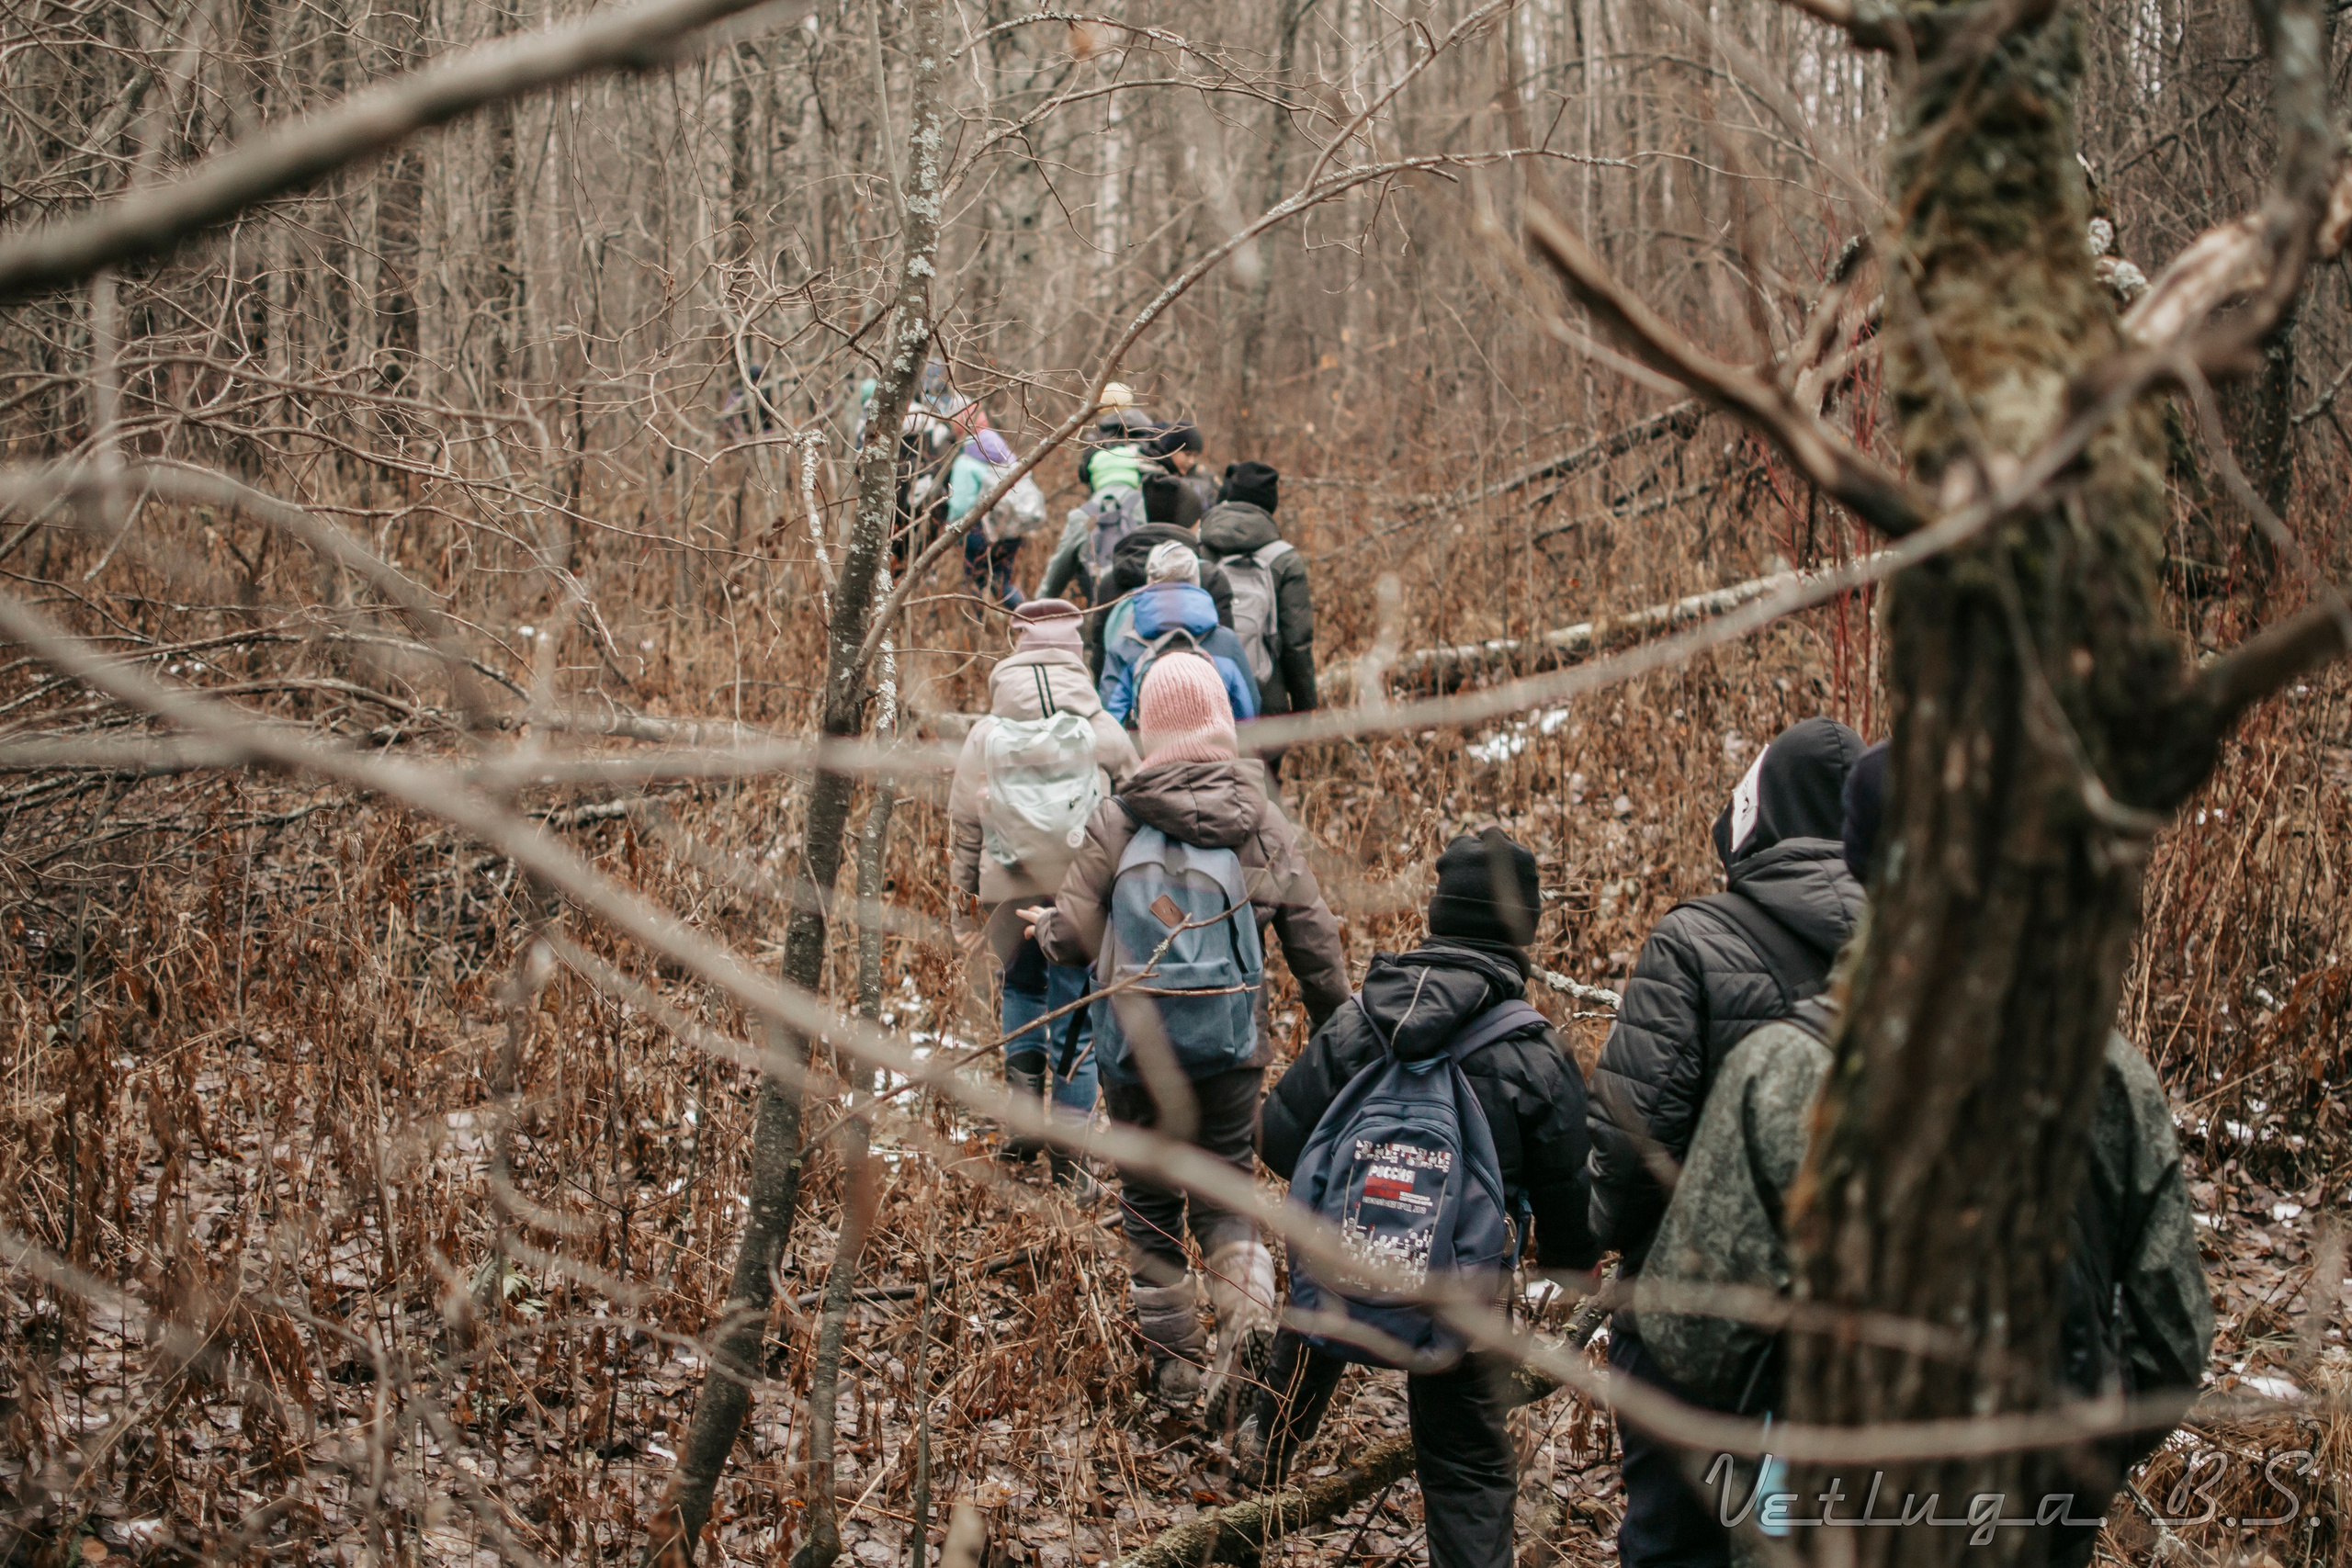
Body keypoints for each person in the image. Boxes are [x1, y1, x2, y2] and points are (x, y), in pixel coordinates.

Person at [1637, 744, 2213, 1567]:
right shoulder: (2110, 1075)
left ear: (1862, 863)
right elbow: (2172, 1342)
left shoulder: (1782, 1071)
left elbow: (1690, 1338)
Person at [1242, 829, 1602, 1568]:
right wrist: (1572, 1266)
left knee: (1310, 1323)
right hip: (1460, 1300)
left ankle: (1252, 1477)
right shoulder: (1535, 1050)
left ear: (1437, 914)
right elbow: (1572, 1205)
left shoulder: (1364, 1015)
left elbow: (1277, 1140)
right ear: (1523, 928)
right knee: (1467, 1467)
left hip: (1338, 1268)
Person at [1026, 654, 1350, 1406]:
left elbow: (1070, 939)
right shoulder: (1259, 820)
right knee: (1226, 1189)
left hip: (1134, 1051)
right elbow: (1314, 939)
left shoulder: (1117, 818)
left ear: (1149, 728)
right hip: (1230, 1046)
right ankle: (1249, 1320)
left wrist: (1044, 927)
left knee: (1148, 1200)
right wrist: (1340, 1027)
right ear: (1222, 720)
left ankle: (1173, 1366)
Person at [1584, 714, 1864, 1568]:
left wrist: (1601, 1237)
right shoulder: (1935, 955)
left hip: (1697, 1313)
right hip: (1864, 1315)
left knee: (1676, 1544)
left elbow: (1631, 1144)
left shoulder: (1695, 941)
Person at [948, 602, 1139, 1179]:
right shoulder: (1102, 730)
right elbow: (1139, 807)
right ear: (1077, 657)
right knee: (1075, 1007)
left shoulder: (985, 734)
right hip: (1083, 893)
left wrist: (962, 912)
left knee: (1022, 989)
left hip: (1008, 890)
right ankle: (1070, 1157)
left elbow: (964, 828)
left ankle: (1025, 1121)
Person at [1195, 461, 1317, 747]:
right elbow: (1296, 642)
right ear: (1270, 504)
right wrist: (1305, 704)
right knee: (1264, 772)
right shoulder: (1284, 559)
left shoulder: (1199, 548)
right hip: (1267, 697)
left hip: (1206, 691)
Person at [1097, 542, 1260, 728]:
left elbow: (1111, 722)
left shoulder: (1124, 649)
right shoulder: (1226, 642)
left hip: (1150, 745)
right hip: (1216, 745)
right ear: (1196, 580)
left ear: (1149, 580)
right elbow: (1249, 712)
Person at [945, 412, 1046, 609]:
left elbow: (959, 506)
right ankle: (1028, 617)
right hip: (1010, 531)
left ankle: (974, 623)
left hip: (978, 533)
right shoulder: (1004, 453)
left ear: (959, 429)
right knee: (1001, 584)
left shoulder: (966, 461)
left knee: (972, 586)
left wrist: (951, 529)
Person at [1144, 422, 1217, 521]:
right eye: (1187, 454)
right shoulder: (1151, 475)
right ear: (1171, 450)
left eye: (1195, 456)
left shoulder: (1201, 477)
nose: (1191, 461)